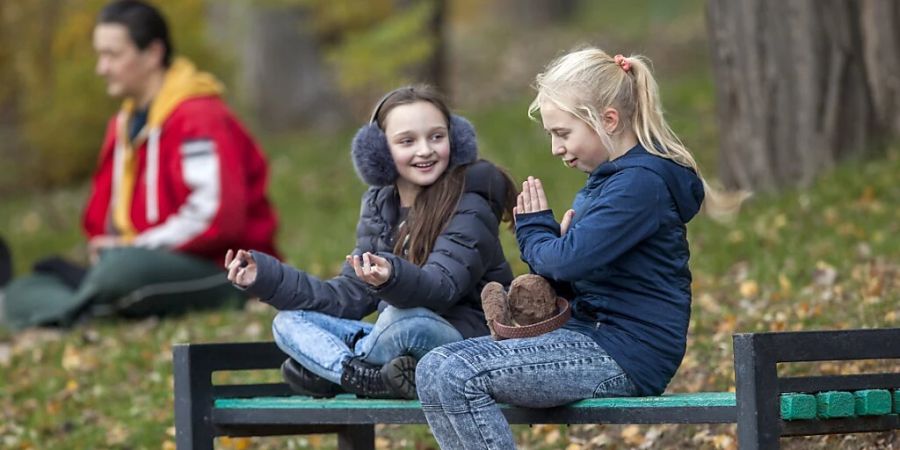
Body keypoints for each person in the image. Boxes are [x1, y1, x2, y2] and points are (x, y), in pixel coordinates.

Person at [416, 48, 748, 448]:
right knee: (433, 368)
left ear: (607, 120)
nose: (556, 148)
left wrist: (537, 231)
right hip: (589, 336)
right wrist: (556, 249)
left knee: (459, 374)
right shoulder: (610, 183)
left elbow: (568, 261)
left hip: (623, 352)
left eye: (562, 133)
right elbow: (574, 269)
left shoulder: (639, 186)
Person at [225, 85, 517, 399]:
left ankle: (331, 370)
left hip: (463, 341)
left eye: (436, 136)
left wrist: (391, 276)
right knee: (289, 321)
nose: (425, 150)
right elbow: (347, 297)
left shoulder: (470, 203)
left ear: (454, 139)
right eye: (407, 141)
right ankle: (362, 375)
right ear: (379, 153)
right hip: (390, 342)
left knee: (399, 318)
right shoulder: (381, 206)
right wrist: (265, 277)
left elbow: (442, 288)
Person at [0, 0, 279, 330]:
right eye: (99, 55)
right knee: (22, 289)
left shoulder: (199, 117)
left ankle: (83, 304)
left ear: (152, 53)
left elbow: (216, 218)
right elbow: (102, 219)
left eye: (112, 55)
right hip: (140, 261)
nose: (101, 68)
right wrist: (107, 248)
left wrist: (128, 248)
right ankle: (86, 302)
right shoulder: (123, 124)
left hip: (224, 269)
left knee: (121, 273)